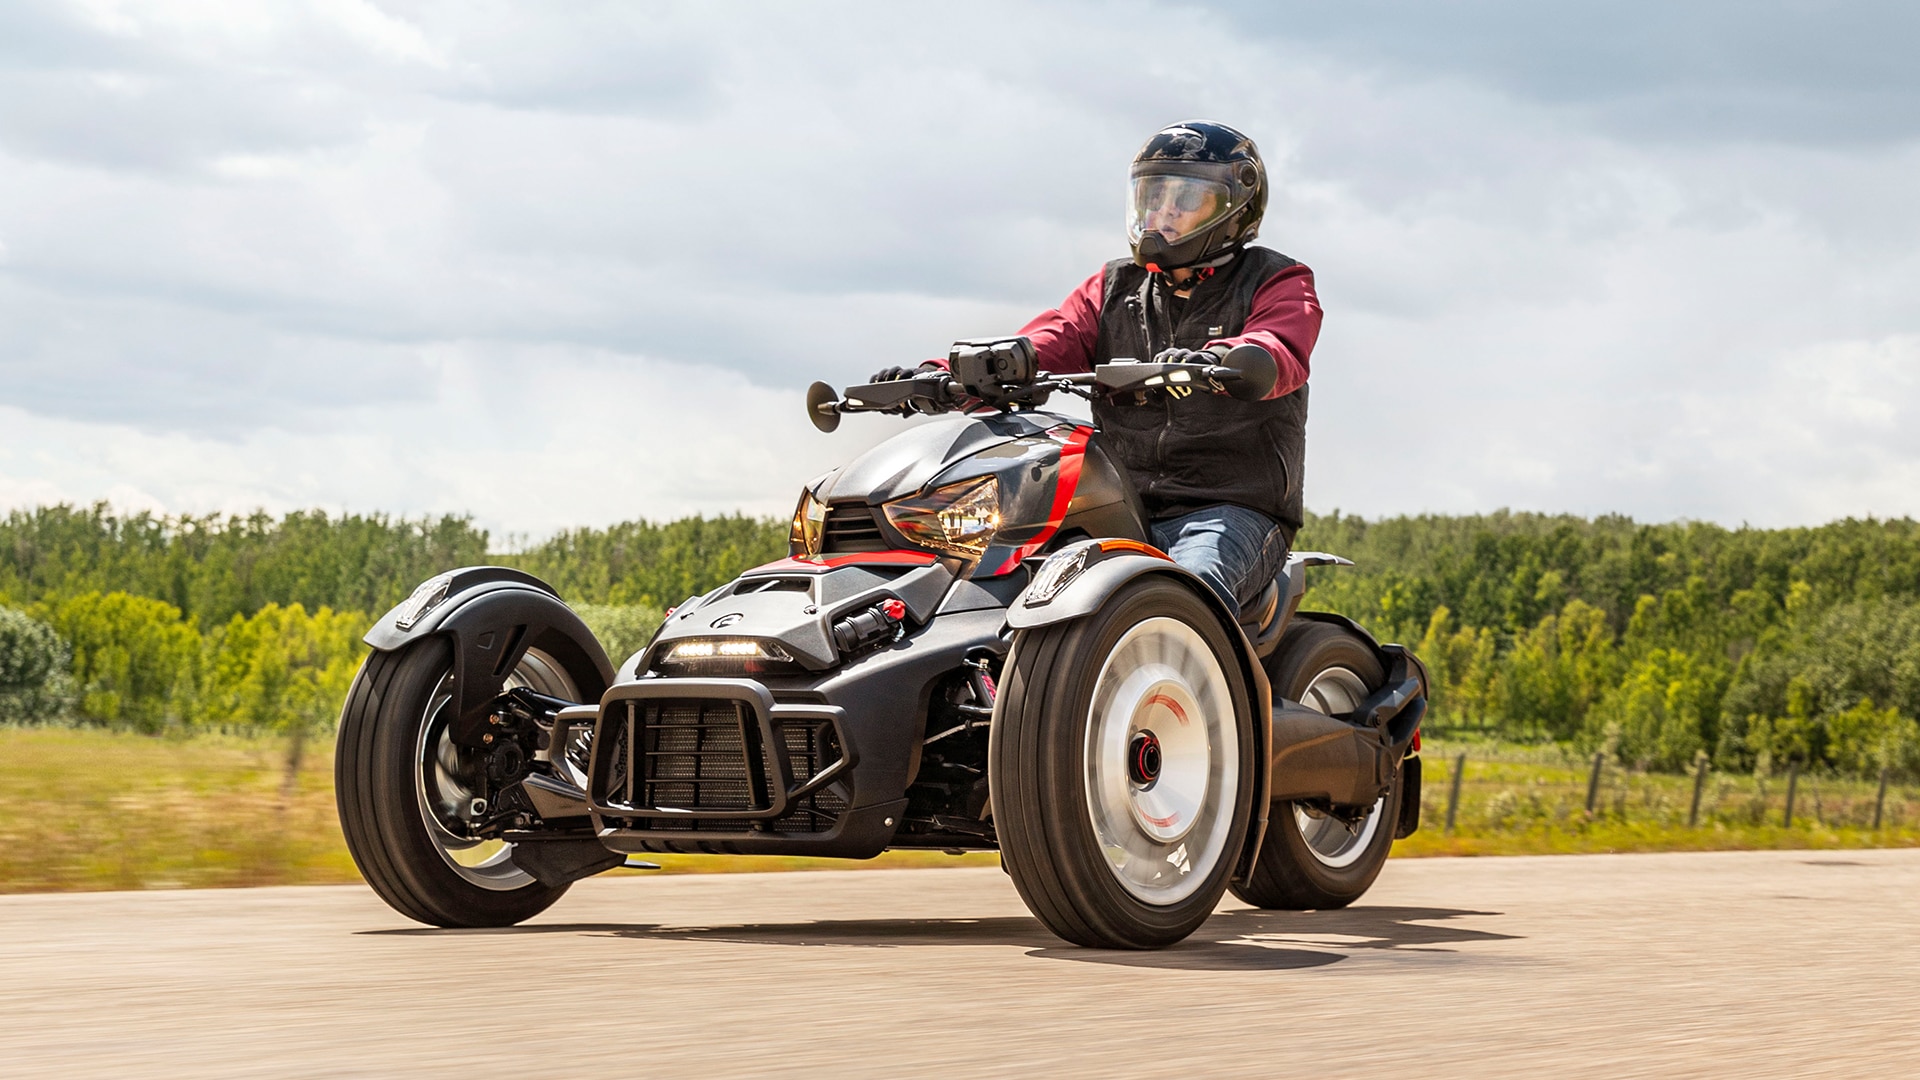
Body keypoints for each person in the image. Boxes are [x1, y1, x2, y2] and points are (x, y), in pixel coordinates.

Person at [874, 120, 1319, 614]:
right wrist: (943, 376)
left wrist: (1221, 361)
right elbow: (1046, 341)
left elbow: (1279, 344)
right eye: (1153, 198)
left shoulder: (1278, 280)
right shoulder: (1114, 287)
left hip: (1229, 507)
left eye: (1185, 200)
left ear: (1236, 205)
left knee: (1180, 603)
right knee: (1001, 580)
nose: (1162, 213)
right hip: (1115, 499)